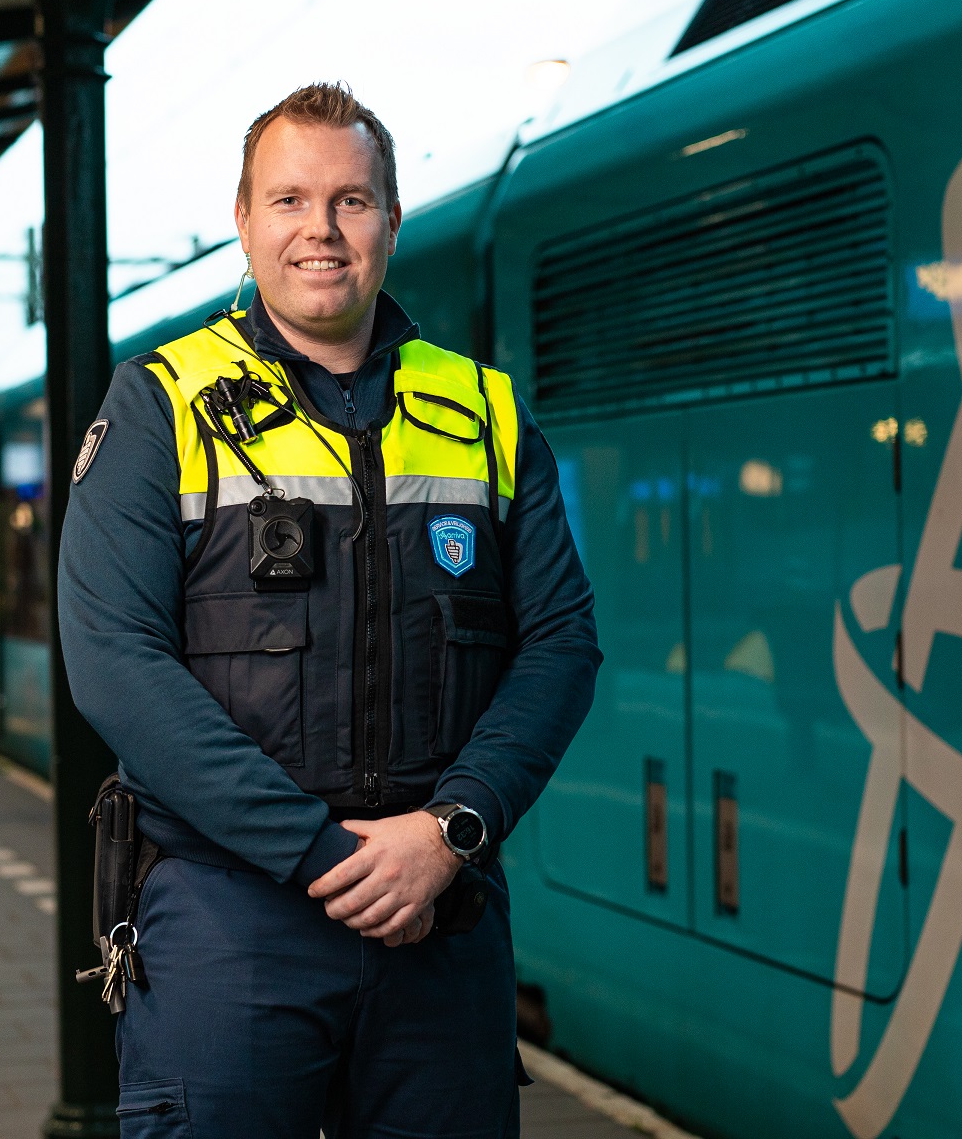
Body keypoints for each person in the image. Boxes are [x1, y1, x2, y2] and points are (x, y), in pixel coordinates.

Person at [58, 82, 600, 1138]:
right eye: (290, 200)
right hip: (230, 918)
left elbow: (562, 642)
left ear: (391, 224)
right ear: (245, 223)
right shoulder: (158, 405)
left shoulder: (486, 411)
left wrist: (452, 831)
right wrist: (329, 859)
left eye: (352, 200)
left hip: (439, 915)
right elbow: (116, 663)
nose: (321, 228)